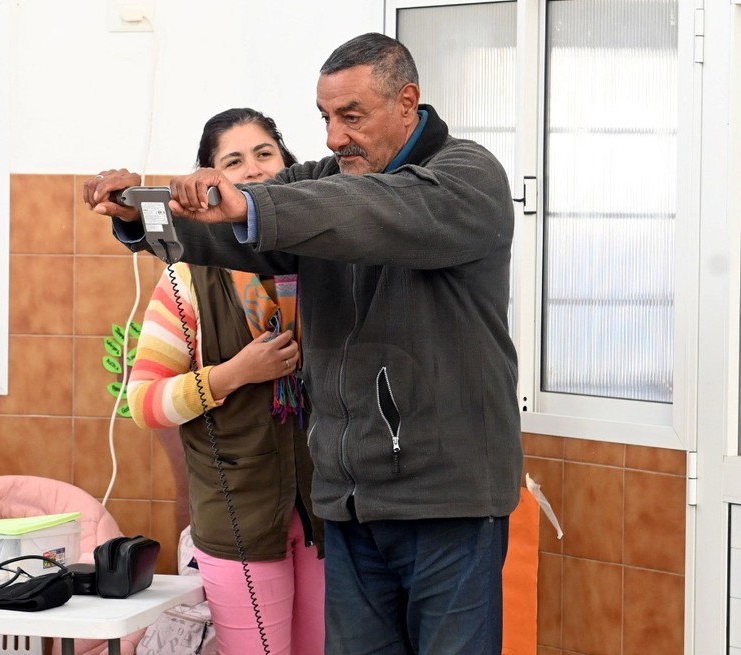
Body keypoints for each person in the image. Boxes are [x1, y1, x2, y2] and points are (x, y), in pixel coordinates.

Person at [85, 33, 522, 655]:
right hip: (348, 505)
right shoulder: (326, 182)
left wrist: (252, 204)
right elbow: (236, 234)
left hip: (447, 503)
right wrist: (139, 212)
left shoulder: (465, 178)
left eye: (351, 116)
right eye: (324, 118)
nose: (333, 138)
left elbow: (367, 212)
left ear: (408, 102)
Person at [125, 107, 325, 655]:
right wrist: (233, 375)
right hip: (238, 520)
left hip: (326, 516)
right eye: (233, 162)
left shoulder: (325, 262)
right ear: (210, 182)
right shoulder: (188, 278)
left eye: (265, 154)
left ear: (288, 163)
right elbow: (142, 402)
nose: (255, 170)